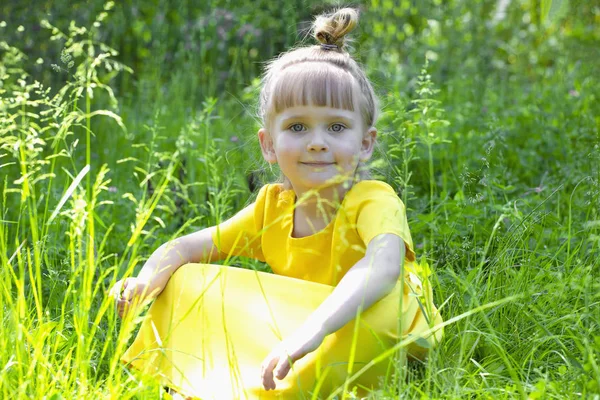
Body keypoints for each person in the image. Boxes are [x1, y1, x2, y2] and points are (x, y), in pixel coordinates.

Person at [110, 7, 443, 399]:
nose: (317, 141)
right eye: (297, 127)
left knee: (374, 311)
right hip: (306, 326)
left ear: (365, 143)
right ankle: (210, 381)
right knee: (184, 277)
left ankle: (271, 389)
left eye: (336, 127)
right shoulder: (273, 207)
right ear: (269, 145)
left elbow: (382, 268)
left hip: (374, 323)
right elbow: (185, 247)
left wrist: (314, 329)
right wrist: (145, 281)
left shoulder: (373, 200)